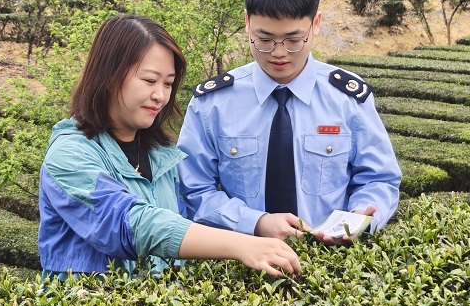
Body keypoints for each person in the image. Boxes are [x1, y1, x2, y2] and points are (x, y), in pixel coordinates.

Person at [38, 14, 301, 279]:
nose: (160, 96)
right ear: (109, 76)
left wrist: (260, 223)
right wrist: (243, 246)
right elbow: (129, 225)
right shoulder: (70, 154)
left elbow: (193, 222)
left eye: (168, 83)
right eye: (150, 81)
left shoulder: (161, 154)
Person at [177, 0, 402, 245]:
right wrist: (255, 223)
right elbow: (193, 190)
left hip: (334, 265)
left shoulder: (347, 100)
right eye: (264, 39)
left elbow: (379, 179)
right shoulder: (212, 105)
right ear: (247, 23)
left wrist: (358, 218)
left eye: (294, 39)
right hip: (239, 265)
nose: (279, 53)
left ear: (315, 24)